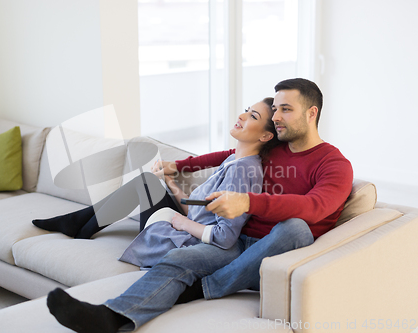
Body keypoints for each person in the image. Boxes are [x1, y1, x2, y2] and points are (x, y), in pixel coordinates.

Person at [45, 78, 353, 333]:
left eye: (286, 109)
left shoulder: (335, 164)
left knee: (297, 228)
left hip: (269, 248)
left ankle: (209, 287)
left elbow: (315, 206)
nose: (277, 116)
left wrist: (247, 200)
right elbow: (229, 155)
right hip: (235, 241)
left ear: (311, 113)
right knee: (179, 259)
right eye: (275, 110)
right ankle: (111, 317)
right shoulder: (275, 147)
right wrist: (178, 165)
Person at [33, 98, 279, 268]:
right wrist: (172, 185)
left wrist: (182, 222)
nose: (242, 115)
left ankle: (77, 225)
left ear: (265, 135)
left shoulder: (243, 171)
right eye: (247, 109)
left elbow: (225, 237)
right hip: (184, 224)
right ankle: (78, 225)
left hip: (185, 240)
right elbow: (198, 211)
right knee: (149, 181)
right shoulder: (233, 160)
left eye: (252, 116)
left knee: (145, 184)